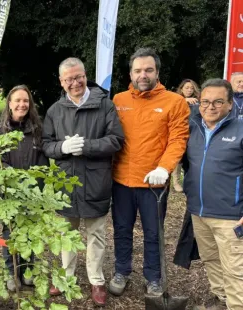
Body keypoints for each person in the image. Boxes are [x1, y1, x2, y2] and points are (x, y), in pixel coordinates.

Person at [42, 57, 124, 306]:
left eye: (78, 77)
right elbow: (46, 144)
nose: (75, 83)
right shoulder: (55, 110)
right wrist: (62, 147)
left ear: (85, 75)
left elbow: (116, 140)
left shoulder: (105, 105)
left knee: (96, 234)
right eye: (69, 79)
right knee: (66, 233)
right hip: (66, 183)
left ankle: (96, 279)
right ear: (61, 81)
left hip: (96, 180)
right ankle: (66, 277)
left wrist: (87, 146)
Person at [110, 48, 190, 297]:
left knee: (153, 233)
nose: (142, 75)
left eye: (148, 70)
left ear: (157, 72)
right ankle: (121, 270)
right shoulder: (118, 101)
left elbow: (178, 139)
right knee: (121, 229)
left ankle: (153, 277)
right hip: (121, 180)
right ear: (130, 73)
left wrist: (164, 168)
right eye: (137, 70)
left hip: (153, 183)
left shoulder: (174, 102)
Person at [183, 78, 243, 310]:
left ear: (230, 104)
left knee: (236, 269)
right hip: (199, 211)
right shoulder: (193, 127)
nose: (210, 106)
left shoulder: (240, 129)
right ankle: (222, 299)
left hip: (231, 215)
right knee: (211, 259)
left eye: (218, 101)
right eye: (205, 101)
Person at [0, 85, 49, 292]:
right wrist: (17, 182)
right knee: (11, 232)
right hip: (8, 194)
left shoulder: (37, 129)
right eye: (17, 100)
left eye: (25, 101)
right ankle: (11, 272)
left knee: (31, 232)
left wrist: (33, 183)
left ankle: (28, 271)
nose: (22, 104)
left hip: (33, 193)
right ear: (9, 103)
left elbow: (43, 161)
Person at [171, 79, 201, 192]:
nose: (189, 90)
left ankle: (190, 181)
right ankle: (176, 182)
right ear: (182, 88)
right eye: (187, 87)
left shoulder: (198, 101)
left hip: (194, 133)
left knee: (191, 158)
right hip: (179, 133)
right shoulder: (175, 99)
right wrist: (184, 101)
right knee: (178, 158)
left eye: (191, 88)